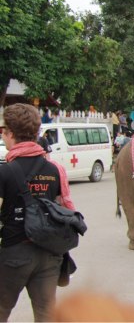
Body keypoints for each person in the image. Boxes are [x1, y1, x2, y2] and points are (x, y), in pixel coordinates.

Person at [0, 104, 65, 321]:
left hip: (14, 253)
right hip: (48, 254)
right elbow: (61, 209)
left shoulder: (4, 171)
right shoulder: (53, 170)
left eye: (3, 130)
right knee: (46, 315)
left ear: (10, 133)